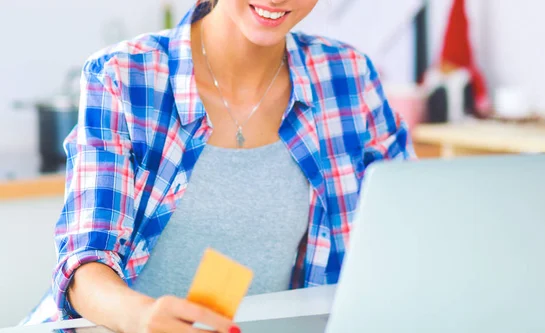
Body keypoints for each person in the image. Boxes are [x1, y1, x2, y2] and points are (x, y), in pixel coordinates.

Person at [24, 0, 415, 331]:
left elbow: (410, 227)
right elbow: (83, 266)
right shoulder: (123, 75)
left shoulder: (347, 76)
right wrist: (143, 317)